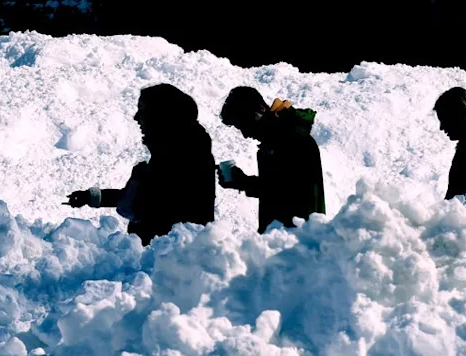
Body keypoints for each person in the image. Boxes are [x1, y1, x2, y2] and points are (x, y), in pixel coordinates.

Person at [65, 84, 216, 245]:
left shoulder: (183, 155)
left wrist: (137, 180)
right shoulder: (176, 149)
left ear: (161, 115)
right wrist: (93, 197)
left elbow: (152, 206)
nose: (136, 117)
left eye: (142, 110)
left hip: (169, 255)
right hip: (169, 253)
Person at [217, 86, 326, 233]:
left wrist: (243, 182)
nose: (245, 134)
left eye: (244, 124)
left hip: (298, 237)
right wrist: (241, 182)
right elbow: (276, 188)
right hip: (282, 237)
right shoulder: (272, 144)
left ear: (260, 111)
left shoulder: (293, 139)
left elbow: (289, 193)